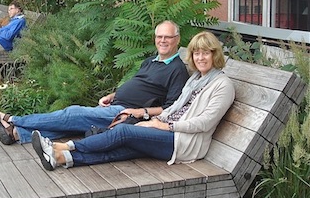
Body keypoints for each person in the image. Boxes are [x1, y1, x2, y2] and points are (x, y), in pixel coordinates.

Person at [32, 31, 235, 171]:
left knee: (123, 131)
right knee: (123, 149)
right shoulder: (196, 80)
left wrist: (166, 126)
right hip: (168, 130)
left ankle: (64, 147)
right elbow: (174, 108)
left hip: (183, 142)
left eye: (205, 53)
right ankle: (60, 159)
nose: (200, 58)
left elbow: (204, 122)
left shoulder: (222, 85)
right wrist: (152, 119)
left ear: (215, 54)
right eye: (196, 53)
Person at [0, 20, 190, 145]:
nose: (162, 41)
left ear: (177, 40)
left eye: (168, 37)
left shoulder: (177, 69)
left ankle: (13, 119)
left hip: (126, 114)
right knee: (73, 125)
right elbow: (137, 84)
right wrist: (112, 95)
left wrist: (139, 113)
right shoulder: (151, 61)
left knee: (72, 113)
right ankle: (17, 134)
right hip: (116, 104)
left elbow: (170, 108)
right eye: (159, 36)